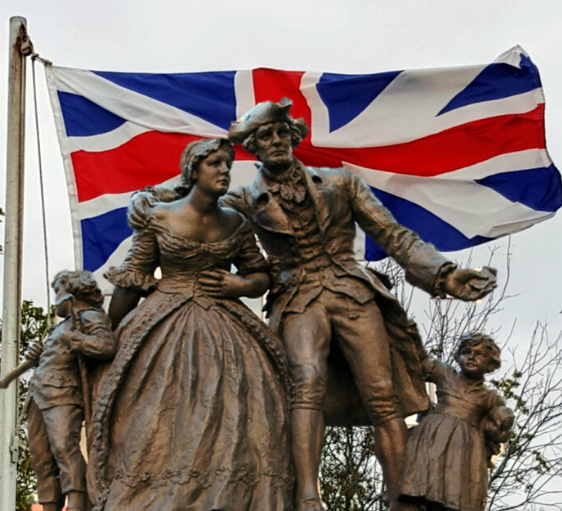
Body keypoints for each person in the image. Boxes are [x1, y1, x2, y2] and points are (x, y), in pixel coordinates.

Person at [218, 98, 498, 511]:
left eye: (281, 132)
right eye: (264, 136)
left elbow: (393, 234)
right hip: (298, 297)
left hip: (352, 290)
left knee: (382, 393)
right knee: (306, 380)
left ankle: (402, 496)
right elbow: (198, 209)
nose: (275, 141)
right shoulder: (243, 199)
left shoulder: (340, 183)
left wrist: (443, 274)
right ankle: (308, 497)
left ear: (293, 137)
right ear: (253, 147)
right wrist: (154, 205)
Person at [87, 138, 294, 511]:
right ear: (193, 169)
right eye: (214, 163)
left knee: (243, 404)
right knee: (156, 410)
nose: (224, 170)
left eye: (228, 164)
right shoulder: (160, 216)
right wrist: (109, 331)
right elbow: (133, 276)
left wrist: (241, 285)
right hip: (164, 320)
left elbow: (259, 274)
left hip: (226, 327)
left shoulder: (236, 223)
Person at [25, 270, 116, 511]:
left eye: (58, 291)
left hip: (63, 395)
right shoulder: (62, 326)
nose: (55, 296)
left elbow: (106, 345)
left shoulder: (90, 317)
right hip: (39, 394)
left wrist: (78, 340)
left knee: (65, 448)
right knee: (42, 458)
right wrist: (38, 357)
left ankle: (76, 503)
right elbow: (56, 356)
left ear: (71, 293)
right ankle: (49, 506)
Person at [399, 333, 514, 511]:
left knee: (453, 494)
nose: (472, 357)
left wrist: (501, 426)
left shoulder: (490, 398)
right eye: (467, 352)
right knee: (421, 485)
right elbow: (418, 363)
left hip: (464, 450)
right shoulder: (446, 374)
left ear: (490, 364)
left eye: (480, 354)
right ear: (458, 356)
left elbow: (498, 434)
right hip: (433, 436)